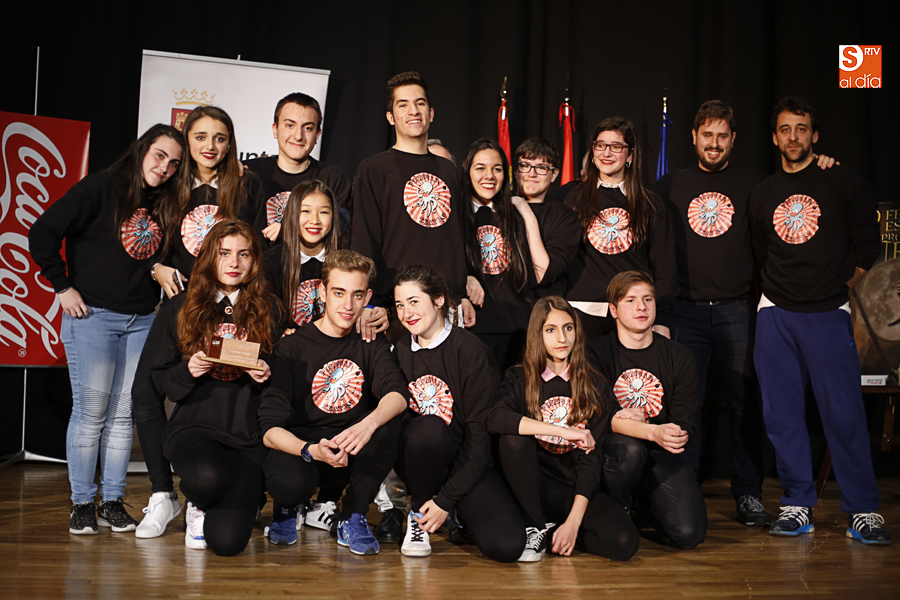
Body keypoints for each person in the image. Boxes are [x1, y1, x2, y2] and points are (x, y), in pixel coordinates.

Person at [29, 123, 184, 535]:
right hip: (93, 317)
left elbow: (139, 256)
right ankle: (82, 503)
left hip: (142, 321)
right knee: (91, 413)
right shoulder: (102, 187)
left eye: (173, 163)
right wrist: (62, 286)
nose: (165, 167)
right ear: (141, 150)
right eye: (159, 156)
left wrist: (156, 266)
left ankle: (112, 502)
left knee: (122, 415)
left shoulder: (165, 203)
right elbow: (42, 231)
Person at [749, 96, 889, 544]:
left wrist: (842, 285)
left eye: (802, 128)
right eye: (786, 129)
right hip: (775, 312)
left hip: (828, 312)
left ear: (814, 135)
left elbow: (868, 243)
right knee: (782, 415)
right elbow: (760, 251)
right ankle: (796, 503)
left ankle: (863, 509)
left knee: (844, 414)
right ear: (775, 138)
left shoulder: (842, 181)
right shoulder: (764, 192)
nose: (794, 137)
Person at [131, 106, 265, 539]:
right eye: (201, 136)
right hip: (179, 302)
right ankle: (160, 492)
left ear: (231, 144)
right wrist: (157, 266)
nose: (210, 146)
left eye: (220, 138)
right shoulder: (170, 185)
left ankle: (212, 487)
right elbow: (142, 236)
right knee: (147, 389)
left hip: (228, 302)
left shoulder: (243, 185)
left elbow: (252, 243)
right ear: (187, 141)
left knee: (221, 386)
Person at [259, 250, 408, 555]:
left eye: (356, 295)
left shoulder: (371, 340)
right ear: (322, 292)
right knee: (287, 482)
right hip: (306, 452)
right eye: (339, 293)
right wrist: (311, 450)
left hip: (349, 450)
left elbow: (397, 394)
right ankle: (287, 507)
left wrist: (367, 425)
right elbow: (269, 429)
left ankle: (352, 515)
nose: (348, 305)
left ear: (368, 296)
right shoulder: (292, 347)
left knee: (390, 422)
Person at [150, 220, 281, 555]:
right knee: (207, 479)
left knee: (226, 543)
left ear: (255, 261)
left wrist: (268, 373)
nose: (234, 263)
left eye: (244, 254)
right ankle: (198, 501)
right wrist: (188, 369)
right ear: (210, 256)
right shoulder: (180, 307)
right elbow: (163, 380)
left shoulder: (271, 309)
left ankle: (244, 497)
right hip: (195, 428)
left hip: (248, 438)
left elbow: (286, 384)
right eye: (224, 253)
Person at [488, 296, 640, 562]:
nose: (562, 338)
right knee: (513, 437)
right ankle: (534, 524)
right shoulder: (519, 377)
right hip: (529, 486)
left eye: (568, 328)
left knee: (624, 542)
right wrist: (563, 431)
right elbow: (496, 418)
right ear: (538, 334)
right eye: (551, 329)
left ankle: (557, 530)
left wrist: (573, 523)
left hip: (570, 487)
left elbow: (591, 461)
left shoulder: (594, 384)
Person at [392, 264, 526, 561]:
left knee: (507, 547)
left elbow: (479, 436)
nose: (406, 313)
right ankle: (419, 516)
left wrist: (447, 499)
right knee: (429, 429)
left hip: (466, 462)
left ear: (439, 300)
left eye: (414, 302)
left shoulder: (471, 352)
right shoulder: (399, 350)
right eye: (400, 304)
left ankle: (454, 516)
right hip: (421, 461)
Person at [351, 71, 476, 334]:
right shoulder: (373, 168)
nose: (413, 111)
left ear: (431, 113)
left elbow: (460, 237)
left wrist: (462, 290)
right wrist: (369, 301)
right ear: (390, 117)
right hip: (396, 307)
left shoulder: (450, 170)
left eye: (420, 103)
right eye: (403, 104)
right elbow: (365, 239)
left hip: (446, 304)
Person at [590, 271, 707, 550]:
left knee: (690, 534)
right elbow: (600, 416)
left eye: (647, 299)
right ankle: (617, 505)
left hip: (659, 453)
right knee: (629, 451)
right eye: (630, 300)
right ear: (614, 310)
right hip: (614, 453)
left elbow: (686, 420)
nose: (641, 307)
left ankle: (644, 504)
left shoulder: (679, 356)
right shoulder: (594, 353)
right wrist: (649, 429)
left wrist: (674, 435)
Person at [564, 118, 676, 341]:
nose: (607, 153)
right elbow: (562, 258)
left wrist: (662, 319)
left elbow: (665, 269)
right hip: (583, 310)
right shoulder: (573, 199)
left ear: (630, 155)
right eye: (600, 145)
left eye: (616, 147)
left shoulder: (649, 203)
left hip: (634, 312)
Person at [462, 138, 541, 370]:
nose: (489, 176)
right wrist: (463, 277)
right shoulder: (454, 215)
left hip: (517, 330)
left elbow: (535, 273)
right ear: (467, 172)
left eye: (497, 169)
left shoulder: (516, 216)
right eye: (480, 168)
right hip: (475, 328)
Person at [245, 92, 351, 245]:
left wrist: (290, 228)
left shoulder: (333, 178)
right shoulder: (251, 172)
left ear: (317, 135)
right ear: (275, 129)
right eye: (290, 125)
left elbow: (340, 231)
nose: (298, 136)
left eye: (307, 128)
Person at [513, 138, 581, 298]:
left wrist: (527, 213)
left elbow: (545, 274)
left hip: (543, 310)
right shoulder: (499, 209)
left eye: (541, 168)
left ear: (554, 174)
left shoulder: (566, 217)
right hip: (501, 310)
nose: (532, 173)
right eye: (525, 166)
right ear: (516, 171)